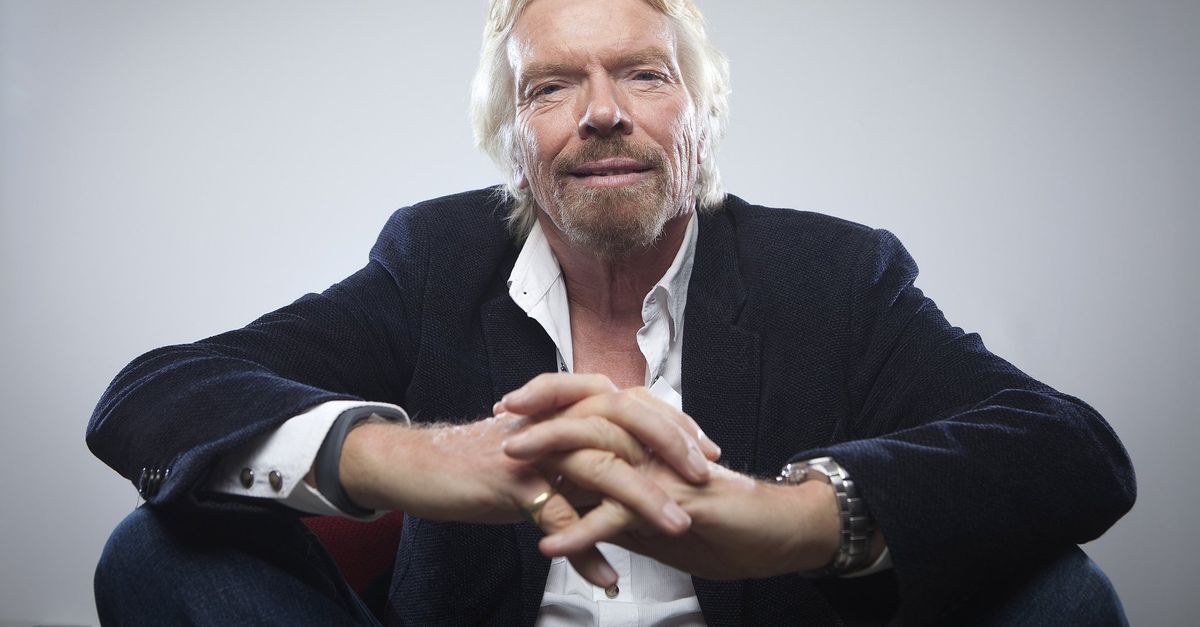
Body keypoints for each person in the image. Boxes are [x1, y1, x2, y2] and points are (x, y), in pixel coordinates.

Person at [87, 0, 1136, 624]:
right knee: (154, 552)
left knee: (1066, 594)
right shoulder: (435, 261)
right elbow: (152, 397)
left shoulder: (834, 274)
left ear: (703, 120)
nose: (601, 112)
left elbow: (1071, 448)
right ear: (512, 144)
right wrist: (417, 458)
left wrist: (793, 522)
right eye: (550, 87)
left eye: (643, 74)